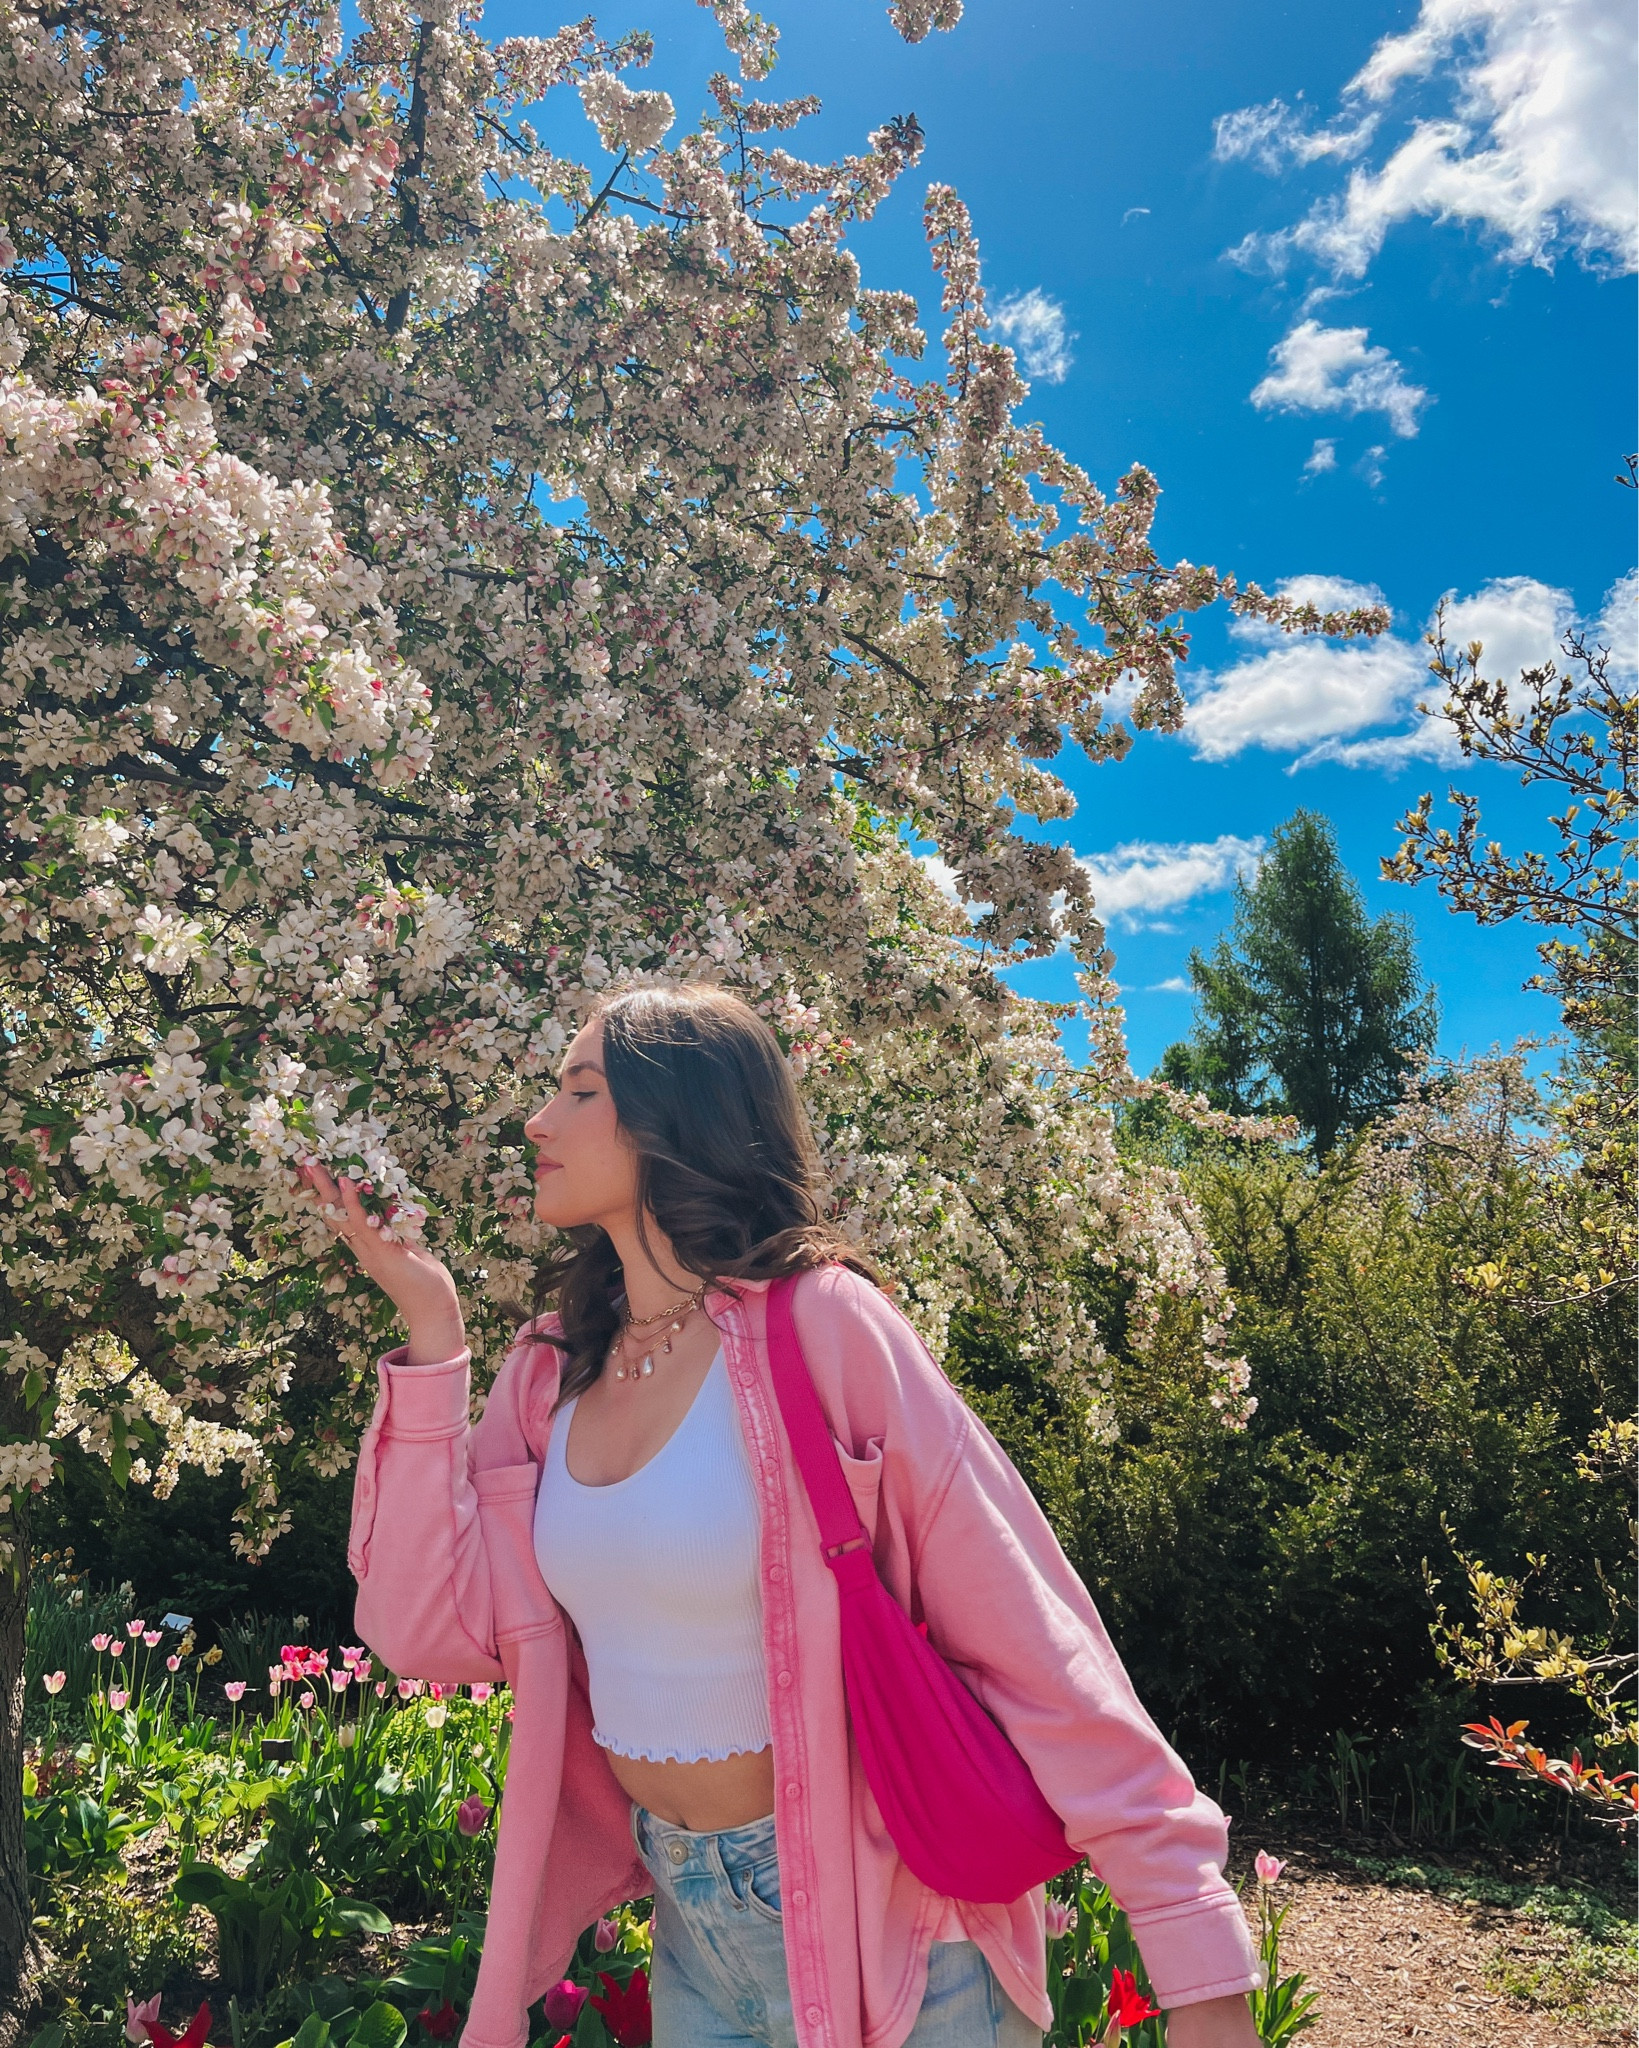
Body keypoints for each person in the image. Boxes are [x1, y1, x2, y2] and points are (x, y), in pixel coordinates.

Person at [305, 985, 1265, 2048]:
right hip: (690, 1926)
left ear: (677, 1116)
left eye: (579, 1091)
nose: (537, 1122)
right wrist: (432, 1332)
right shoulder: (546, 1374)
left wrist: (1197, 1961)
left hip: (900, 1940)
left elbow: (1035, 1639)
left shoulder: (826, 1328)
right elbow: (419, 1628)